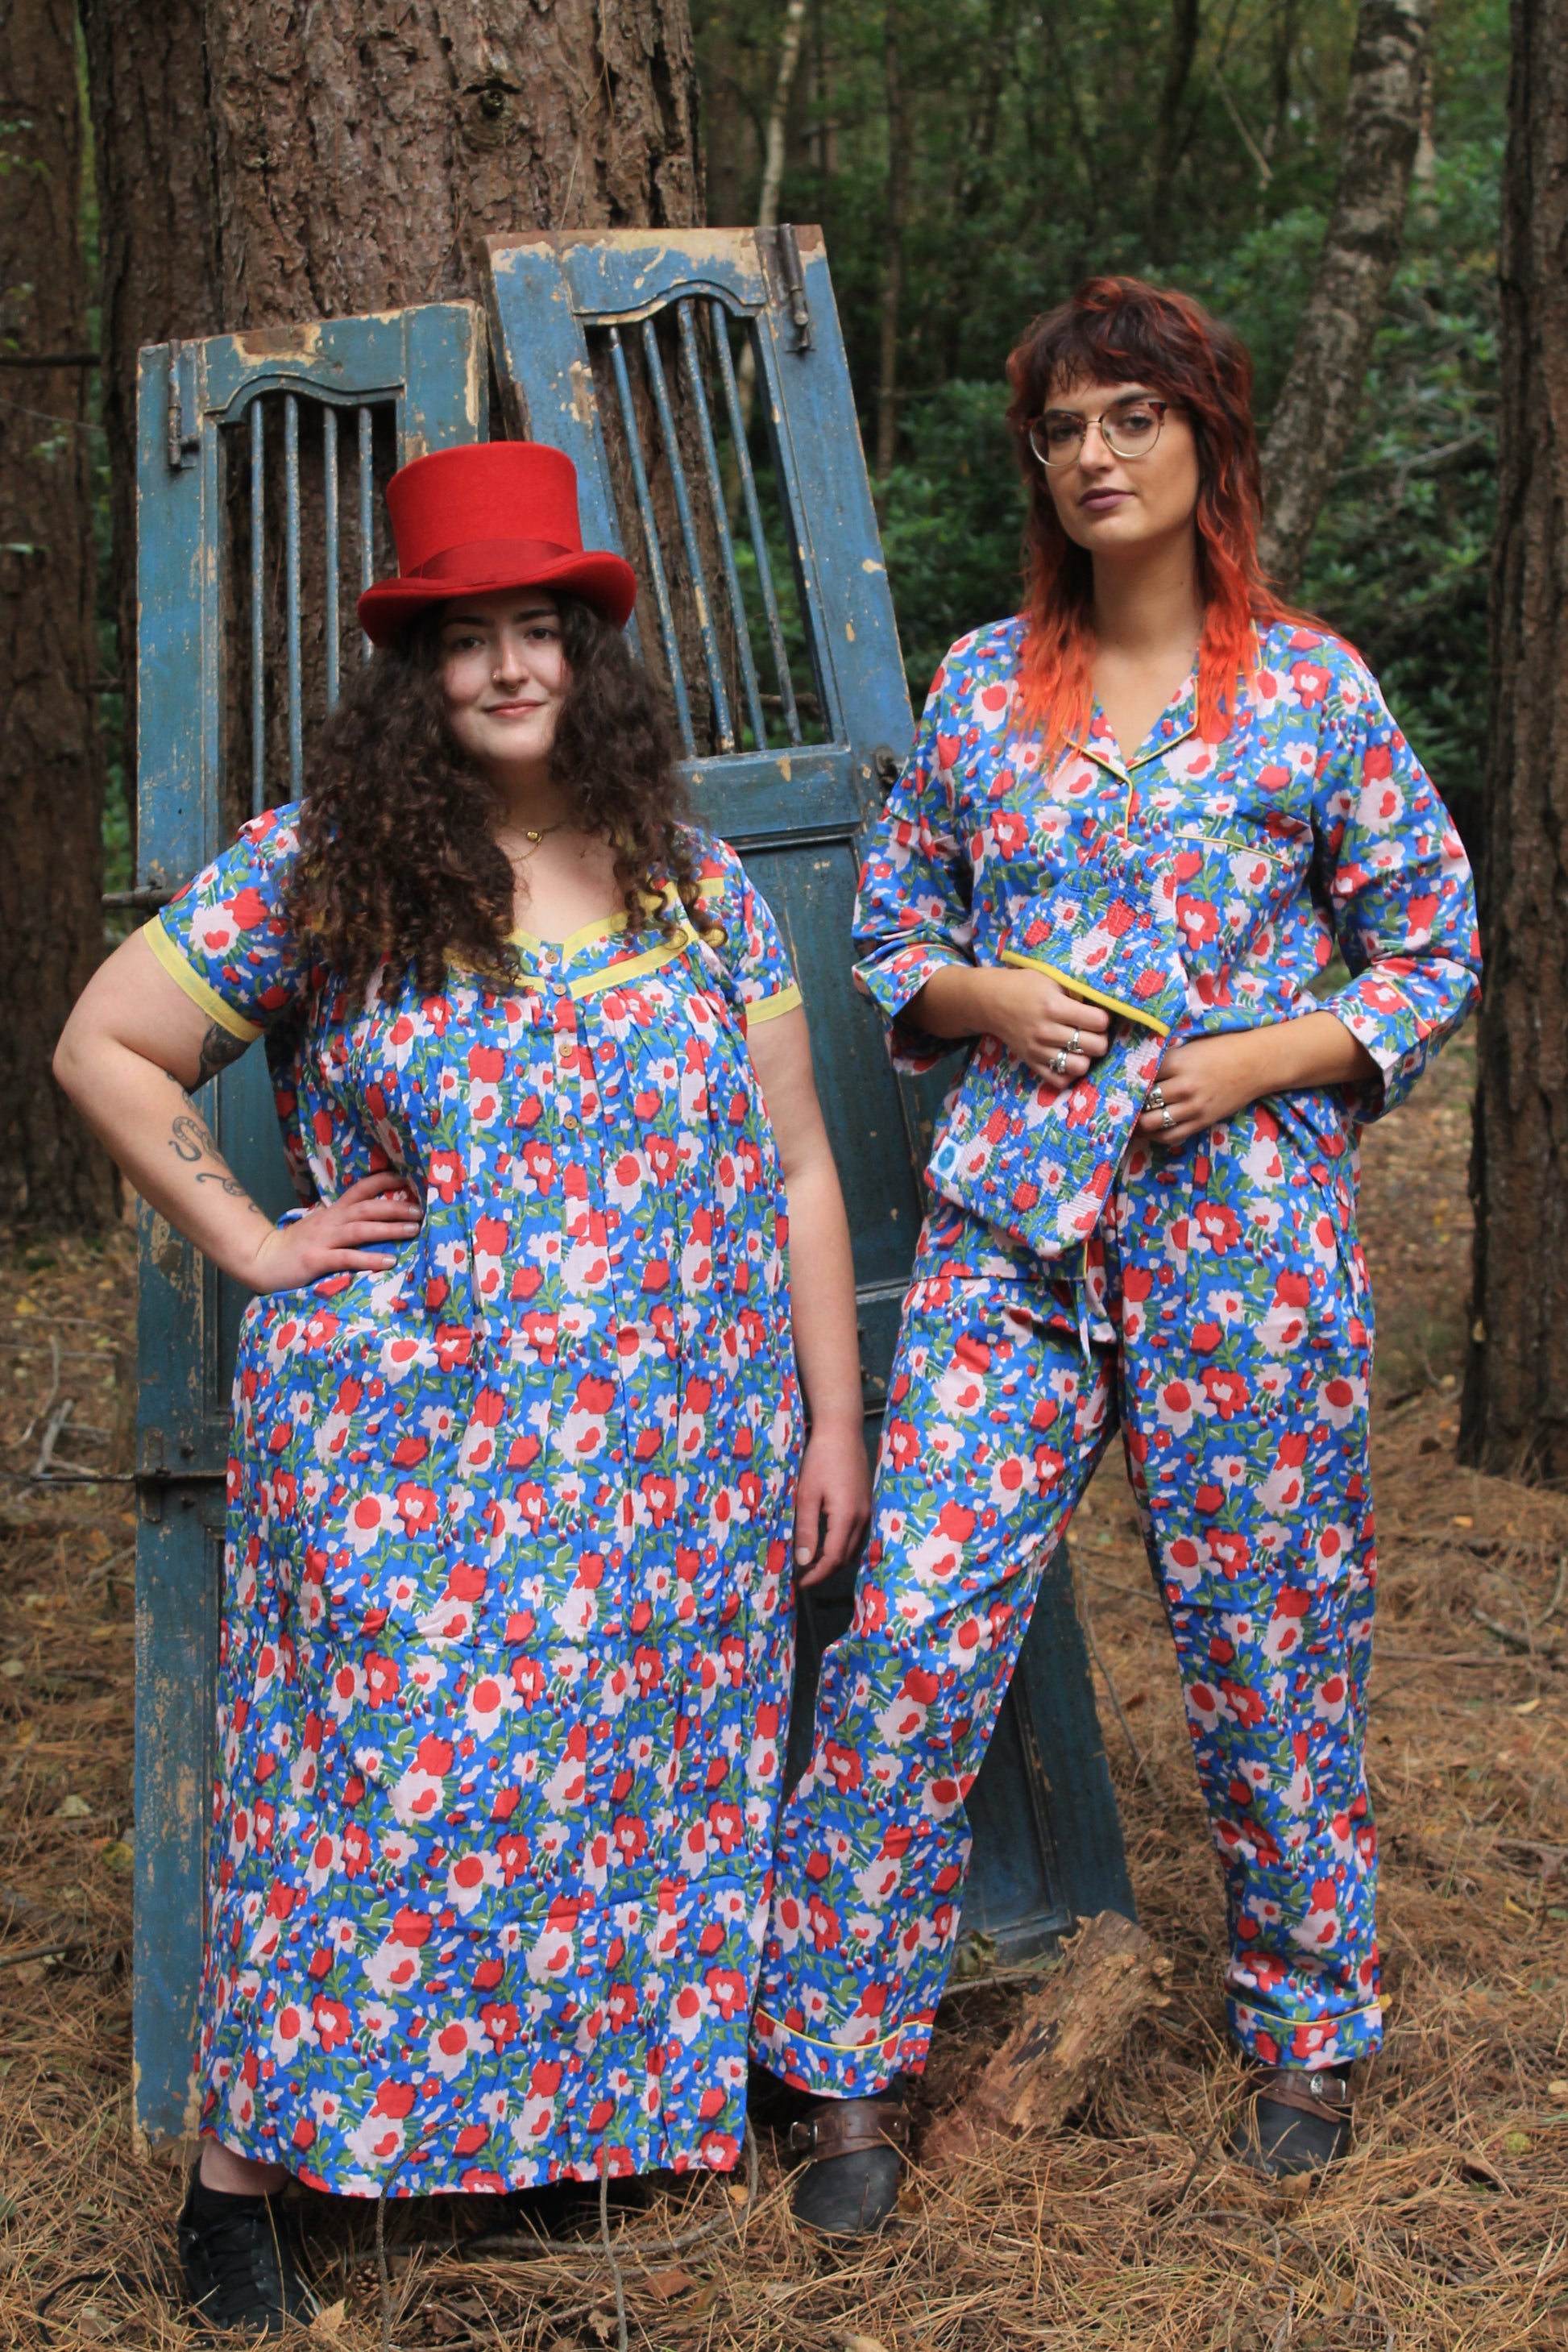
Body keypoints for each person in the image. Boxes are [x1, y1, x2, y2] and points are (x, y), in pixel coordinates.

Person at [55, 441, 871, 2330]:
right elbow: (109, 1040)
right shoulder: (329, 871)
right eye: (467, 638)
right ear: (414, 674)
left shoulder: (693, 879)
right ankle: (242, 2183)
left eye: (542, 630)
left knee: (632, 1787)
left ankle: (579, 2134)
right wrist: (255, 1239)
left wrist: (831, 1417)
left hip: (677, 1453)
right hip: (415, 1454)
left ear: (594, 657)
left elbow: (803, 1165)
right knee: (372, 1799)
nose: (511, 667)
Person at [752, 276, 1481, 2232]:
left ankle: (1308, 2023)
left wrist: (1264, 1051)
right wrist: (985, 995)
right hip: (1013, 1245)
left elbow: (1433, 942)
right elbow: (893, 926)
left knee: (1269, 1639)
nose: (1088, 455)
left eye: (1124, 420)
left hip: (1244, 1248)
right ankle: (837, 2068)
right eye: (1060, 429)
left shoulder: (1314, 692)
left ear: (1202, 437)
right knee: (912, 1631)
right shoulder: (986, 683)